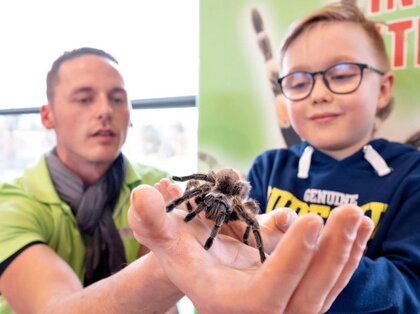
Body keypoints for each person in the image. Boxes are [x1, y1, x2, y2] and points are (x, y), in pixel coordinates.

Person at [0, 47, 374, 313]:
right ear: (47, 115)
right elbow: (54, 308)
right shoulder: (11, 205)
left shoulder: (157, 187)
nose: (104, 111)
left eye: (117, 99)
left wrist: (210, 247)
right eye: (83, 99)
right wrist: (172, 258)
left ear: (130, 113)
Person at [246, 2, 420, 312]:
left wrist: (299, 252)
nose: (318, 94)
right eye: (299, 82)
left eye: (341, 75)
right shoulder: (267, 169)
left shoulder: (411, 174)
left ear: (382, 89)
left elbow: (410, 288)